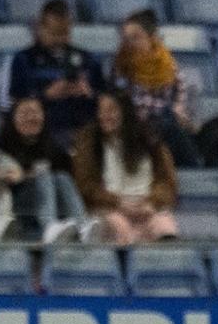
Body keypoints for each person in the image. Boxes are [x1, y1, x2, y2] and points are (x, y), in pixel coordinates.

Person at [72, 90, 177, 244]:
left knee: (165, 228)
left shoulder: (151, 142)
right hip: (108, 208)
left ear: (125, 113)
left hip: (148, 206)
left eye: (111, 110)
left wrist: (152, 202)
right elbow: (87, 186)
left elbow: (167, 182)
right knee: (120, 228)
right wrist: (118, 203)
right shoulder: (89, 143)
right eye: (101, 111)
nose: (104, 116)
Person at [0, 0, 106, 146]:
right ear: (40, 28)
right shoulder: (23, 59)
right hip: (41, 136)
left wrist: (89, 94)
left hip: (83, 134)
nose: (60, 39)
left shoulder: (88, 59)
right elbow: (15, 106)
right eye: (55, 33)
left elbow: (105, 101)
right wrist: (47, 95)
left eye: (65, 33)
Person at [0, 96, 96, 243]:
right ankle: (50, 227)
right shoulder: (1, 148)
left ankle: (82, 226)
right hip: (18, 207)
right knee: (43, 175)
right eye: (25, 113)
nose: (31, 118)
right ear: (13, 119)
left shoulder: (53, 146)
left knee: (61, 177)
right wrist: (26, 175)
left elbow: (67, 171)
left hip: (53, 202)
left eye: (36, 113)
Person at [111, 8, 202, 167]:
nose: (129, 44)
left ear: (152, 38)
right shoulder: (120, 70)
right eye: (126, 39)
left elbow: (185, 115)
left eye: (136, 38)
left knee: (169, 123)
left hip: (164, 132)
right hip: (132, 132)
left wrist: (180, 114)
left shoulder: (171, 70)